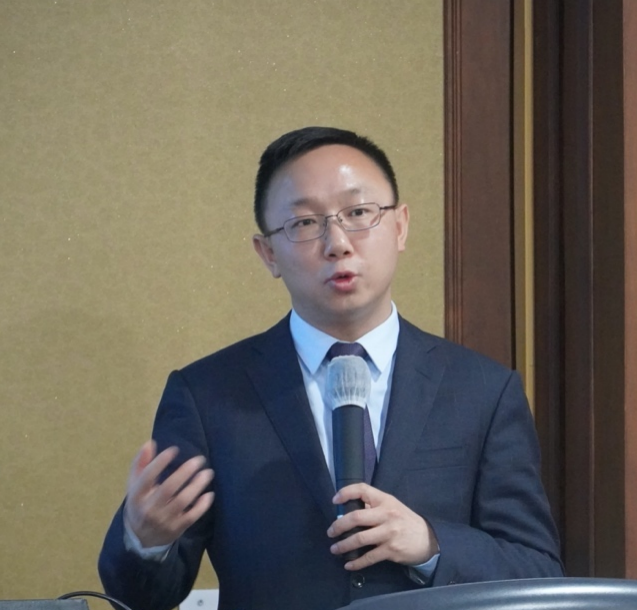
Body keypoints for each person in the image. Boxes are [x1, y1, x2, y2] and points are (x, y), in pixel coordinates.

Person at [98, 126, 563, 610]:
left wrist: (431, 544)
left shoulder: (483, 390)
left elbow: (538, 571)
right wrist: (145, 540)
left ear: (400, 226)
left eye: (359, 213)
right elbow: (139, 600)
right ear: (268, 253)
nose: (337, 243)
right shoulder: (208, 395)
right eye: (303, 223)